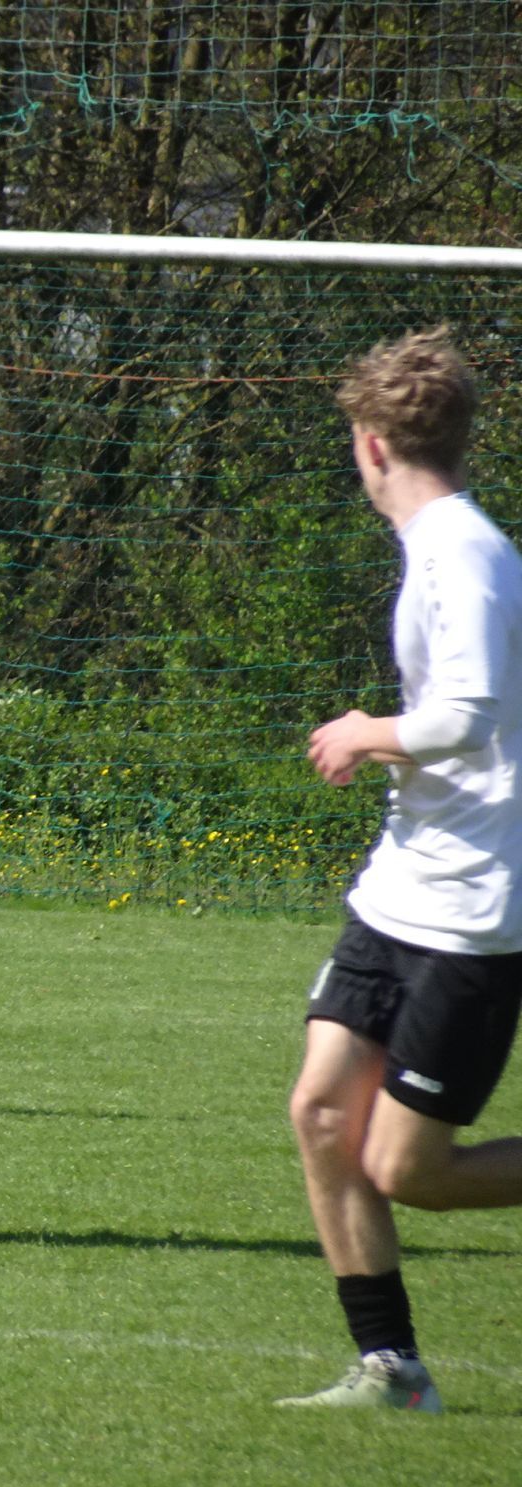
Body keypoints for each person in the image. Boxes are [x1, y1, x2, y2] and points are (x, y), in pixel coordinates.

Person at [281, 325, 522, 1413]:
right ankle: (389, 1367)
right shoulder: (436, 547)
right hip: (398, 887)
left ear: (369, 446)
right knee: (322, 1115)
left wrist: (364, 731)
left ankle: (392, 1367)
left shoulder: (463, 551)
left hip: (472, 910)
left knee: (408, 1170)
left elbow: (466, 714)